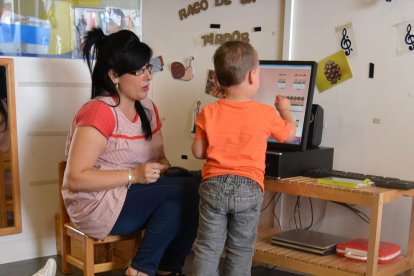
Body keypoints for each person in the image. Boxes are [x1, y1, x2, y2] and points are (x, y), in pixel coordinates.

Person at [62, 28, 199, 276]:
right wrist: (134, 174)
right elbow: (76, 178)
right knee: (185, 191)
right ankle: (142, 269)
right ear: (114, 75)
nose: (148, 77)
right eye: (139, 71)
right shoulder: (99, 111)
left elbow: (160, 158)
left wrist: (164, 167)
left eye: (149, 68)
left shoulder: (147, 108)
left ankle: (164, 269)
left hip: (133, 195)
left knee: (198, 183)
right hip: (98, 205)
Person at [191, 40, 295, 276]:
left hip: (214, 186)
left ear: (217, 80)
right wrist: (286, 110)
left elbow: (198, 152)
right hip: (248, 188)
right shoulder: (265, 113)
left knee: (207, 248)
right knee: (240, 251)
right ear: (251, 76)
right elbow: (289, 134)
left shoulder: (208, 112)